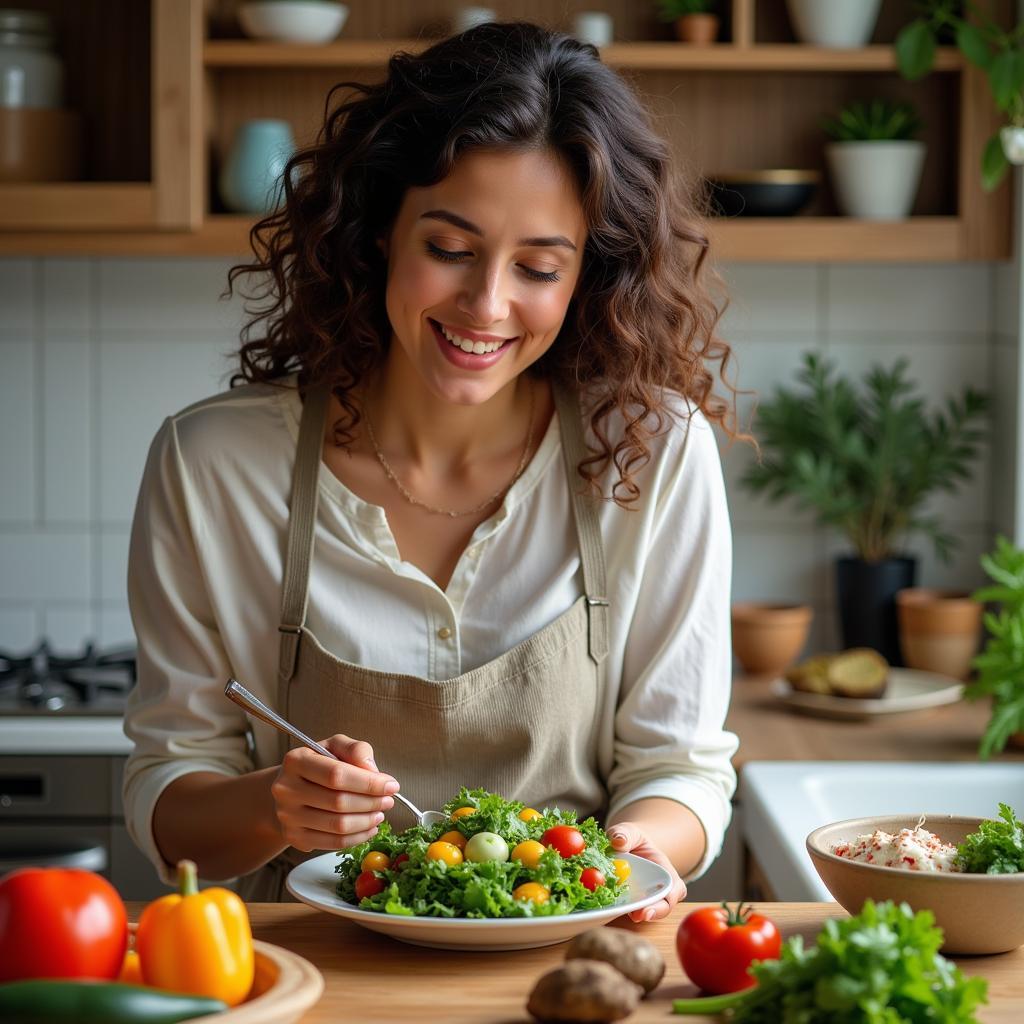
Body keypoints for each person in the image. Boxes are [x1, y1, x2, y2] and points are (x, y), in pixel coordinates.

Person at [123, 21, 742, 917]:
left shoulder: (652, 451)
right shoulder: (213, 464)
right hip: (302, 978)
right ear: (379, 233)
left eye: (537, 267)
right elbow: (170, 799)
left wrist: (641, 846)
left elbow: (679, 768)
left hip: (565, 967)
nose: (486, 305)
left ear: (586, 280)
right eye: (448, 249)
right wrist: (276, 806)